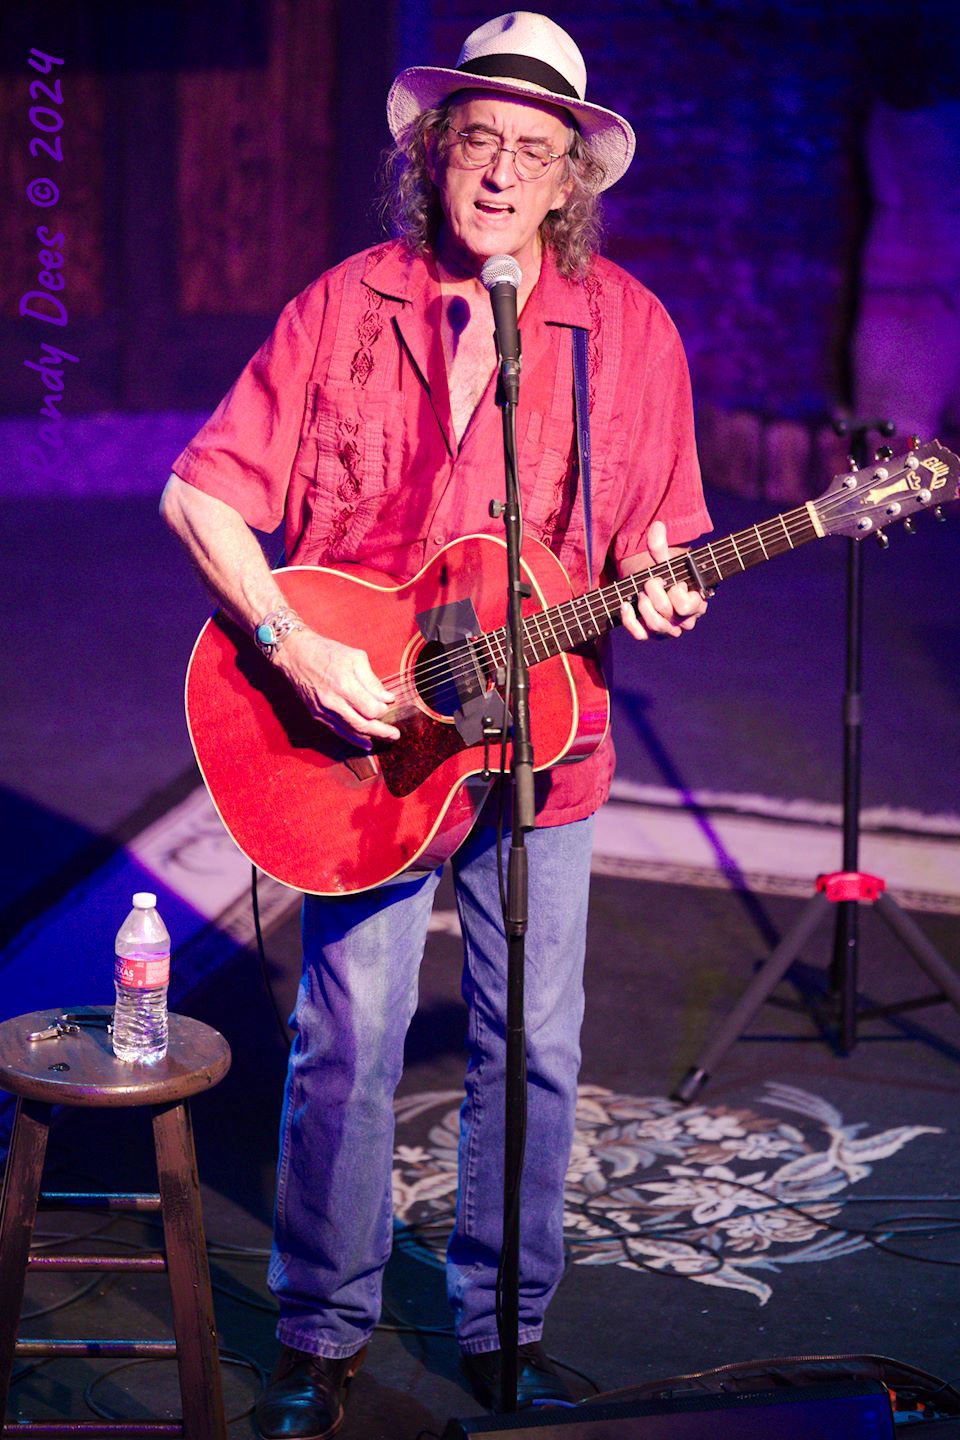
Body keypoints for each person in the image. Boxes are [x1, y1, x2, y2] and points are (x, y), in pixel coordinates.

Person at [161, 12, 711, 1436]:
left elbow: (663, 535)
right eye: (480, 142)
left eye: (535, 153)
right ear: (435, 152)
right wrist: (288, 646)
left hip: (545, 743)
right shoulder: (347, 304)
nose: (502, 175)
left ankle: (502, 1324)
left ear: (567, 181)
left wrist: (658, 588)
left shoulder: (629, 330)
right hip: (364, 741)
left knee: (531, 1043)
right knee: (348, 1036)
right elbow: (200, 493)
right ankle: (322, 1330)